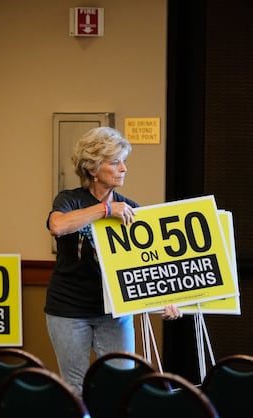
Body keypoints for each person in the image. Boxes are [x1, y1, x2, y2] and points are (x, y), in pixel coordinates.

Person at [44, 126, 181, 397]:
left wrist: (165, 298)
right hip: (68, 309)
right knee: (75, 389)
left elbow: (145, 263)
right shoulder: (70, 200)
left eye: (124, 161)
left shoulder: (131, 208)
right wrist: (106, 210)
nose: (124, 168)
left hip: (115, 311)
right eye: (115, 162)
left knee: (120, 384)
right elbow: (57, 226)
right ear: (93, 169)